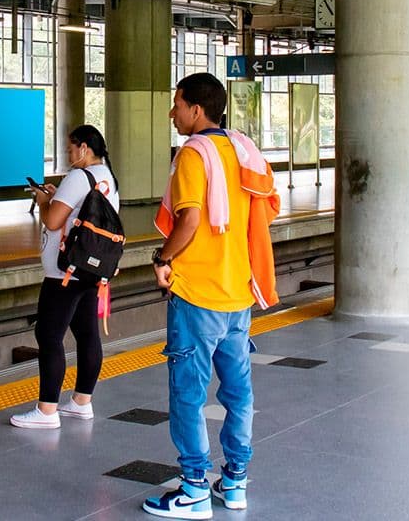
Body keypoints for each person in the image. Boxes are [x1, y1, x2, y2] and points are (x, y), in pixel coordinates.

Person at [144, 73, 272, 519]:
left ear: (196, 109)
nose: (172, 113)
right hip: (239, 293)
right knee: (238, 394)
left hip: (197, 294)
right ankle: (233, 482)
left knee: (188, 394)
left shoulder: (193, 156)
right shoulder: (241, 151)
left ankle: (194, 488)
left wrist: (162, 259)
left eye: (176, 104)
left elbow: (190, 220)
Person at [11, 125, 119, 430]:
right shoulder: (108, 177)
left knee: (48, 335)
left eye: (71, 148)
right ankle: (81, 402)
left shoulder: (78, 176)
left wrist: (44, 200)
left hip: (65, 272)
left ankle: (47, 410)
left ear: (84, 148)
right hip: (92, 269)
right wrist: (58, 197)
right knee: (87, 334)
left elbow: (54, 219)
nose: (68, 154)